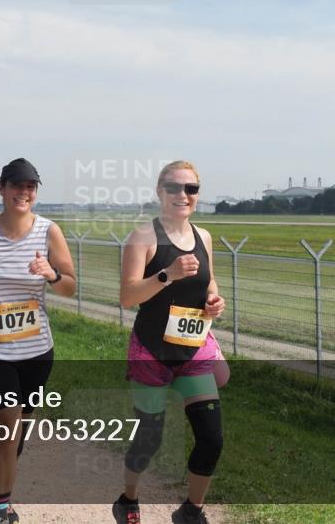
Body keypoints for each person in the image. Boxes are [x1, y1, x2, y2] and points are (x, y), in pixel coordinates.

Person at [0, 158, 76, 524]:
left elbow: (70, 285)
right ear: (2, 189)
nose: (24, 192)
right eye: (17, 185)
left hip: (37, 350)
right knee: (6, 426)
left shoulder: (49, 232)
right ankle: (2, 507)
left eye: (31, 187)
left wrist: (51, 273)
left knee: (15, 433)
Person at [112, 161, 226, 524]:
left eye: (191, 189)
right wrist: (167, 274)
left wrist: (215, 303)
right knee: (149, 439)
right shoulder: (143, 238)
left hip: (193, 350)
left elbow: (209, 285)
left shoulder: (204, 237)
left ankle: (192, 511)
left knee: (212, 438)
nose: (183, 195)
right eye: (174, 188)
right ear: (159, 192)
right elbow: (128, 297)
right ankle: (128, 499)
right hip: (152, 351)